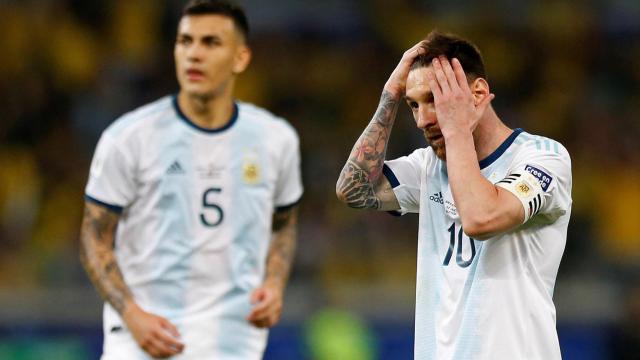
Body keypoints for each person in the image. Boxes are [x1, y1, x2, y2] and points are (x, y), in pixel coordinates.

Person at [79, 1, 303, 359]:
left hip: (233, 340)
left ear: (240, 58)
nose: (193, 54)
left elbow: (283, 223)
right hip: (143, 342)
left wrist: (274, 284)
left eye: (210, 43)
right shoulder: (128, 137)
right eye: (185, 41)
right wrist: (132, 314)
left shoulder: (275, 139)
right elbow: (94, 237)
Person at [336, 30, 572, 360]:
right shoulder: (429, 166)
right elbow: (352, 190)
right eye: (413, 105)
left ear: (477, 93)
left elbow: (480, 217)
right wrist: (389, 96)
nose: (422, 120)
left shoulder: (543, 158)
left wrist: (457, 129)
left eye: (436, 99)